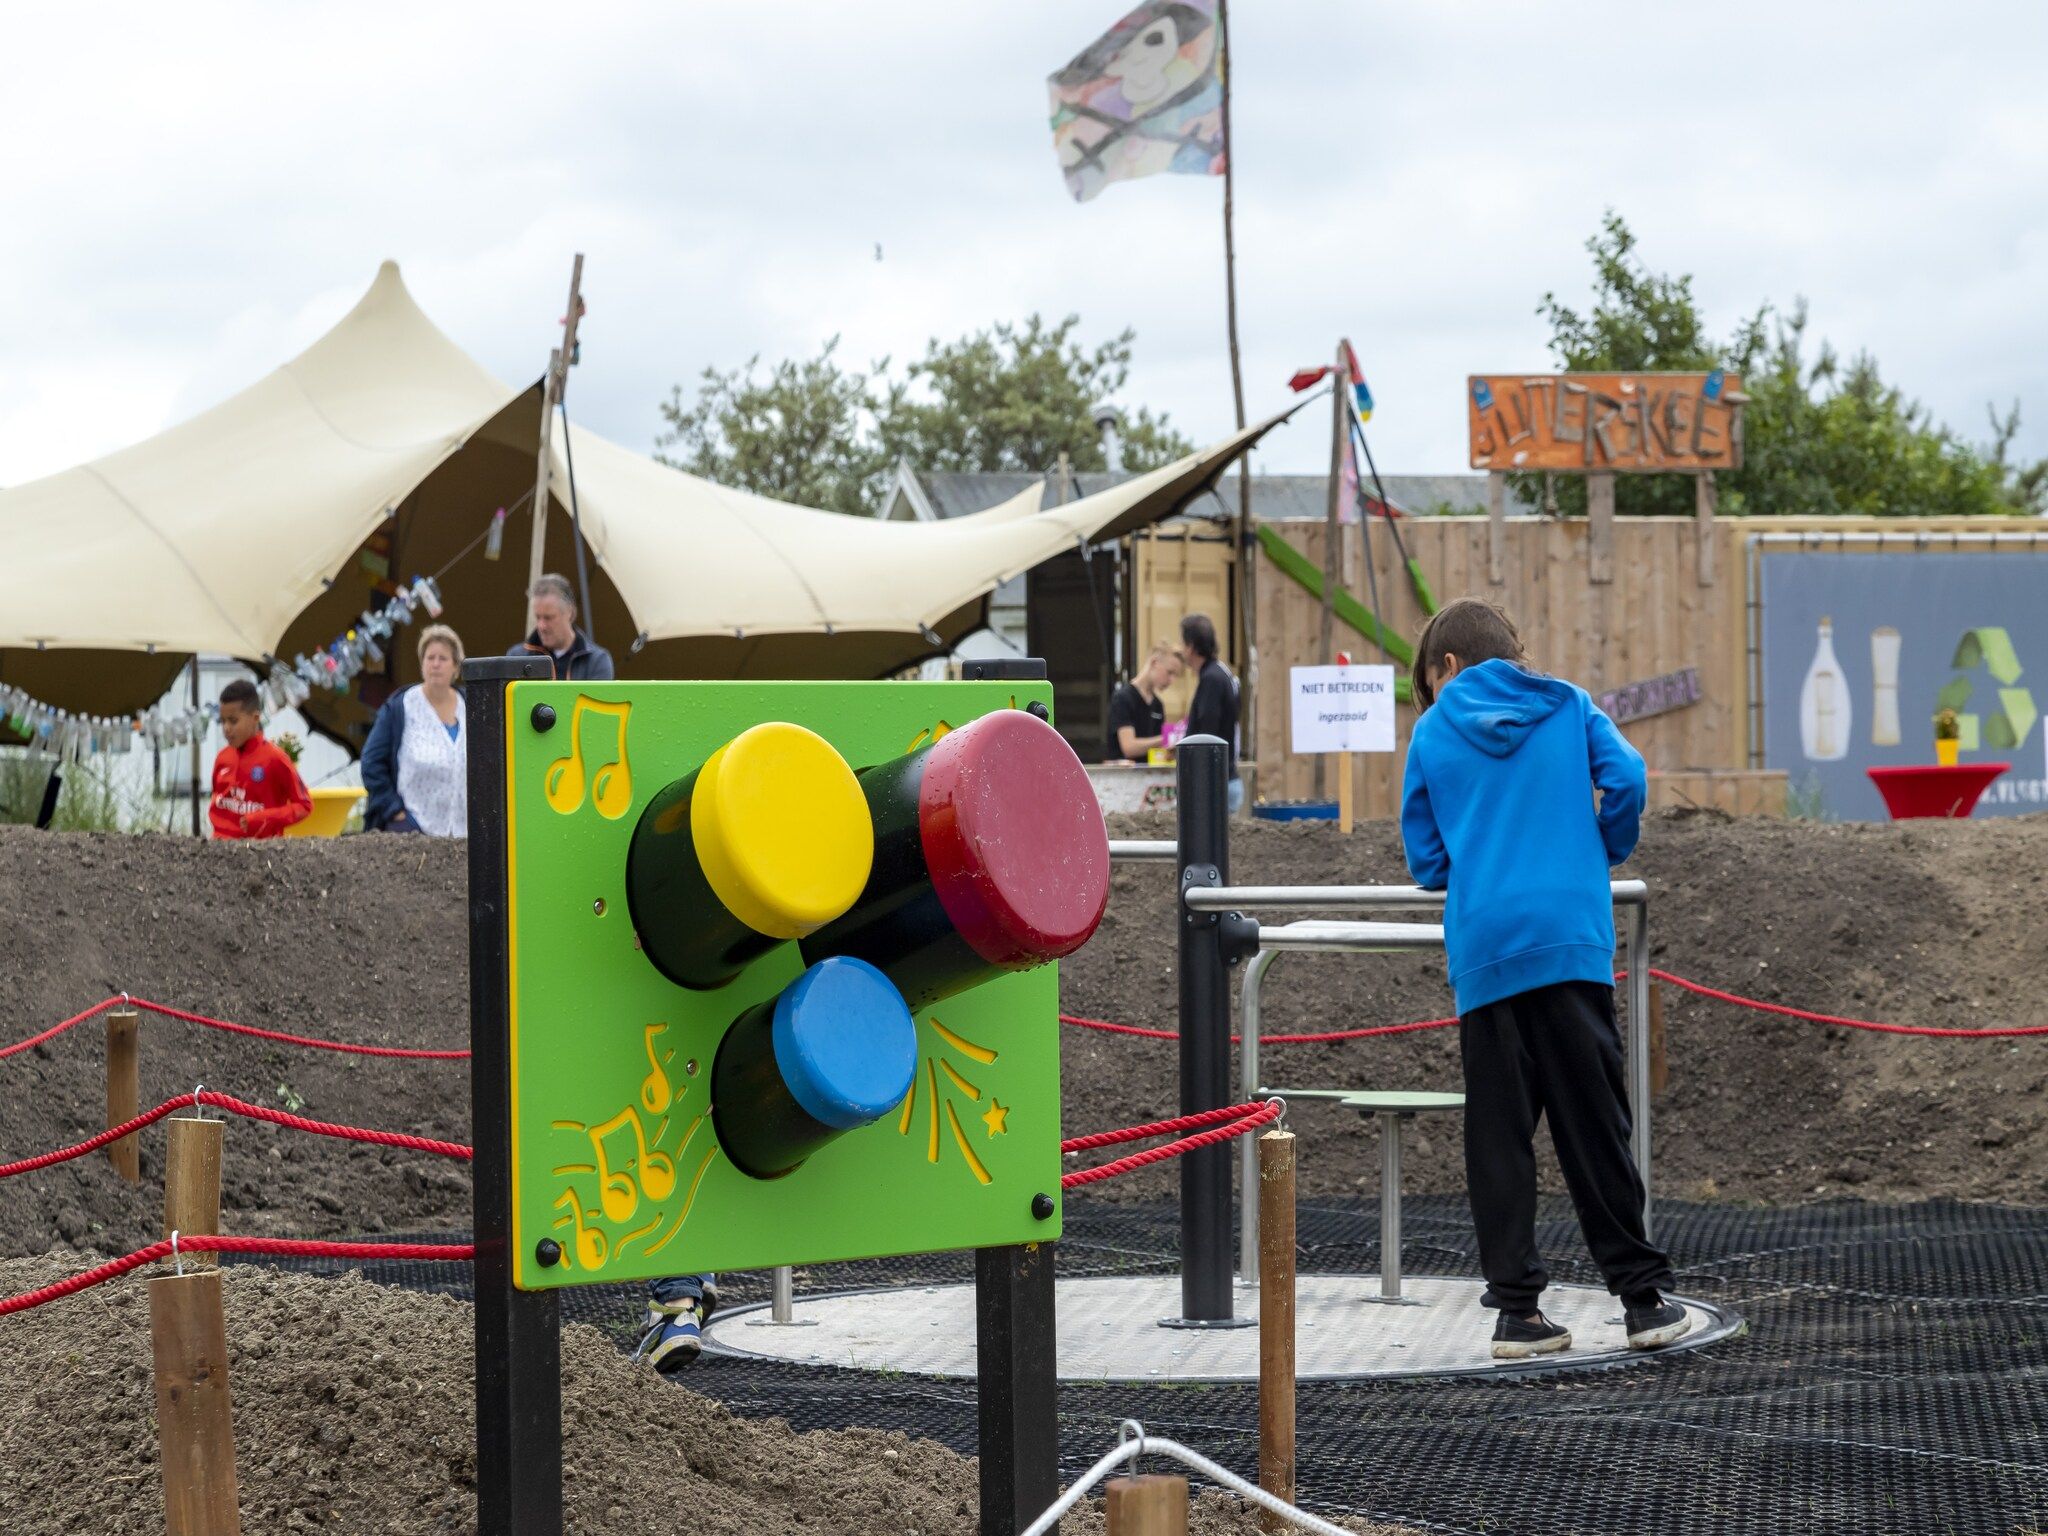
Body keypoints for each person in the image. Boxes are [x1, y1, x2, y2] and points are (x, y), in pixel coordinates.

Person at [1398, 597, 1688, 1360]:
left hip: (1488, 951)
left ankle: (1519, 1315)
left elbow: (1426, 859)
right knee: (1595, 1124)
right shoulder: (1569, 704)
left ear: (1446, 669)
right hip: (1571, 938)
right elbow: (1626, 777)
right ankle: (1643, 1302)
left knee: (1499, 1134)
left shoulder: (1431, 733)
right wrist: (1603, 847)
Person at [361, 625, 469, 836]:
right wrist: (396, 812)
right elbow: (371, 762)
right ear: (422, 664)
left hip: (463, 833)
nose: (436, 664)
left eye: (443, 658)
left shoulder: (471, 705)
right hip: (413, 830)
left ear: (456, 666)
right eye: (430, 658)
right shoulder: (400, 706)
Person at [209, 678, 311, 840]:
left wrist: (265, 818)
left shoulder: (275, 759)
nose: (226, 728)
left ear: (255, 718)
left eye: (233, 721)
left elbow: (304, 805)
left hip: (262, 855)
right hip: (218, 853)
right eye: (223, 721)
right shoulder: (222, 758)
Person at [1175, 612, 1242, 813]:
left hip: (1217, 785)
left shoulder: (1211, 680)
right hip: (1228, 779)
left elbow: (1206, 733)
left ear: (1191, 646)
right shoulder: (1222, 673)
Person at [509, 573, 614, 681]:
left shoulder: (597, 660)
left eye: (548, 618)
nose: (541, 626)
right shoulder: (516, 657)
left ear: (570, 613)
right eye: (537, 617)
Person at [1106, 644, 1181, 761]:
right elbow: (1129, 747)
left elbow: (1159, 751)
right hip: (1124, 775)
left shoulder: (1157, 705)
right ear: (1154, 663)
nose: (1172, 680)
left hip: (1150, 774)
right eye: (1169, 672)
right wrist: (1166, 738)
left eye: (1175, 675)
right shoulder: (1123, 698)